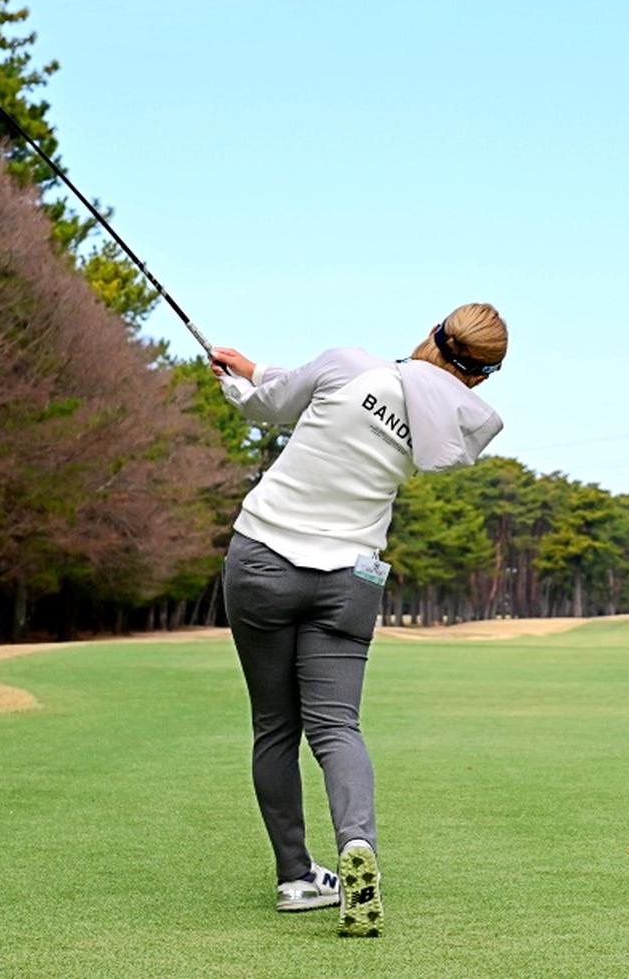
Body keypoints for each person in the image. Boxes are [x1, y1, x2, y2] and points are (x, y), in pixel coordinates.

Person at [211, 303, 508, 938]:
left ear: (431, 332)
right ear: (482, 377)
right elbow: (322, 388)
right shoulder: (443, 430)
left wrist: (239, 383)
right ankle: (357, 846)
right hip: (348, 581)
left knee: (275, 728)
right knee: (337, 727)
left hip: (263, 560)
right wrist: (258, 366)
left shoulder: (349, 365)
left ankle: (295, 878)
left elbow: (270, 404)